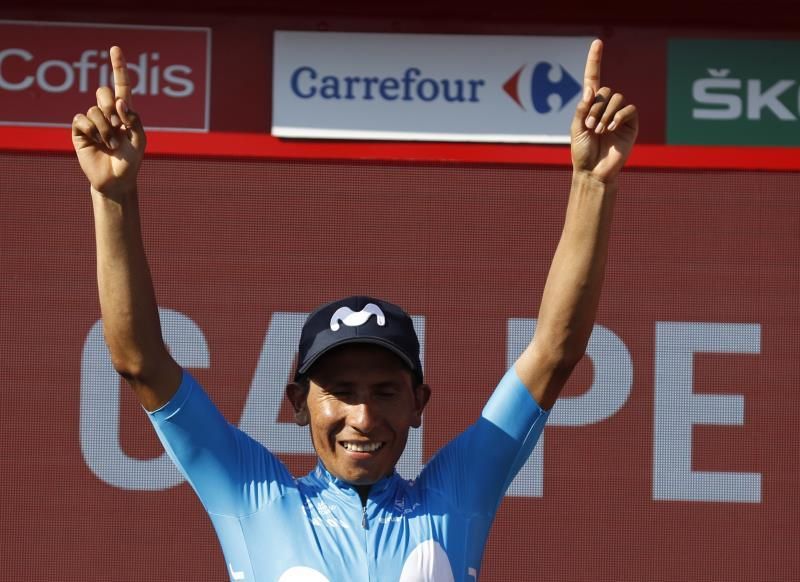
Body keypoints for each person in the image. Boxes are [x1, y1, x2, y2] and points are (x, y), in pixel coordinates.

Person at [72, 39, 637, 581]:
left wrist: (592, 183)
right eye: (340, 391)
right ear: (298, 402)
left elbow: (554, 354)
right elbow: (139, 361)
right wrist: (113, 197)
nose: (363, 418)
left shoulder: (457, 496)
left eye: (385, 391)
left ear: (419, 403)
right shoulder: (252, 497)